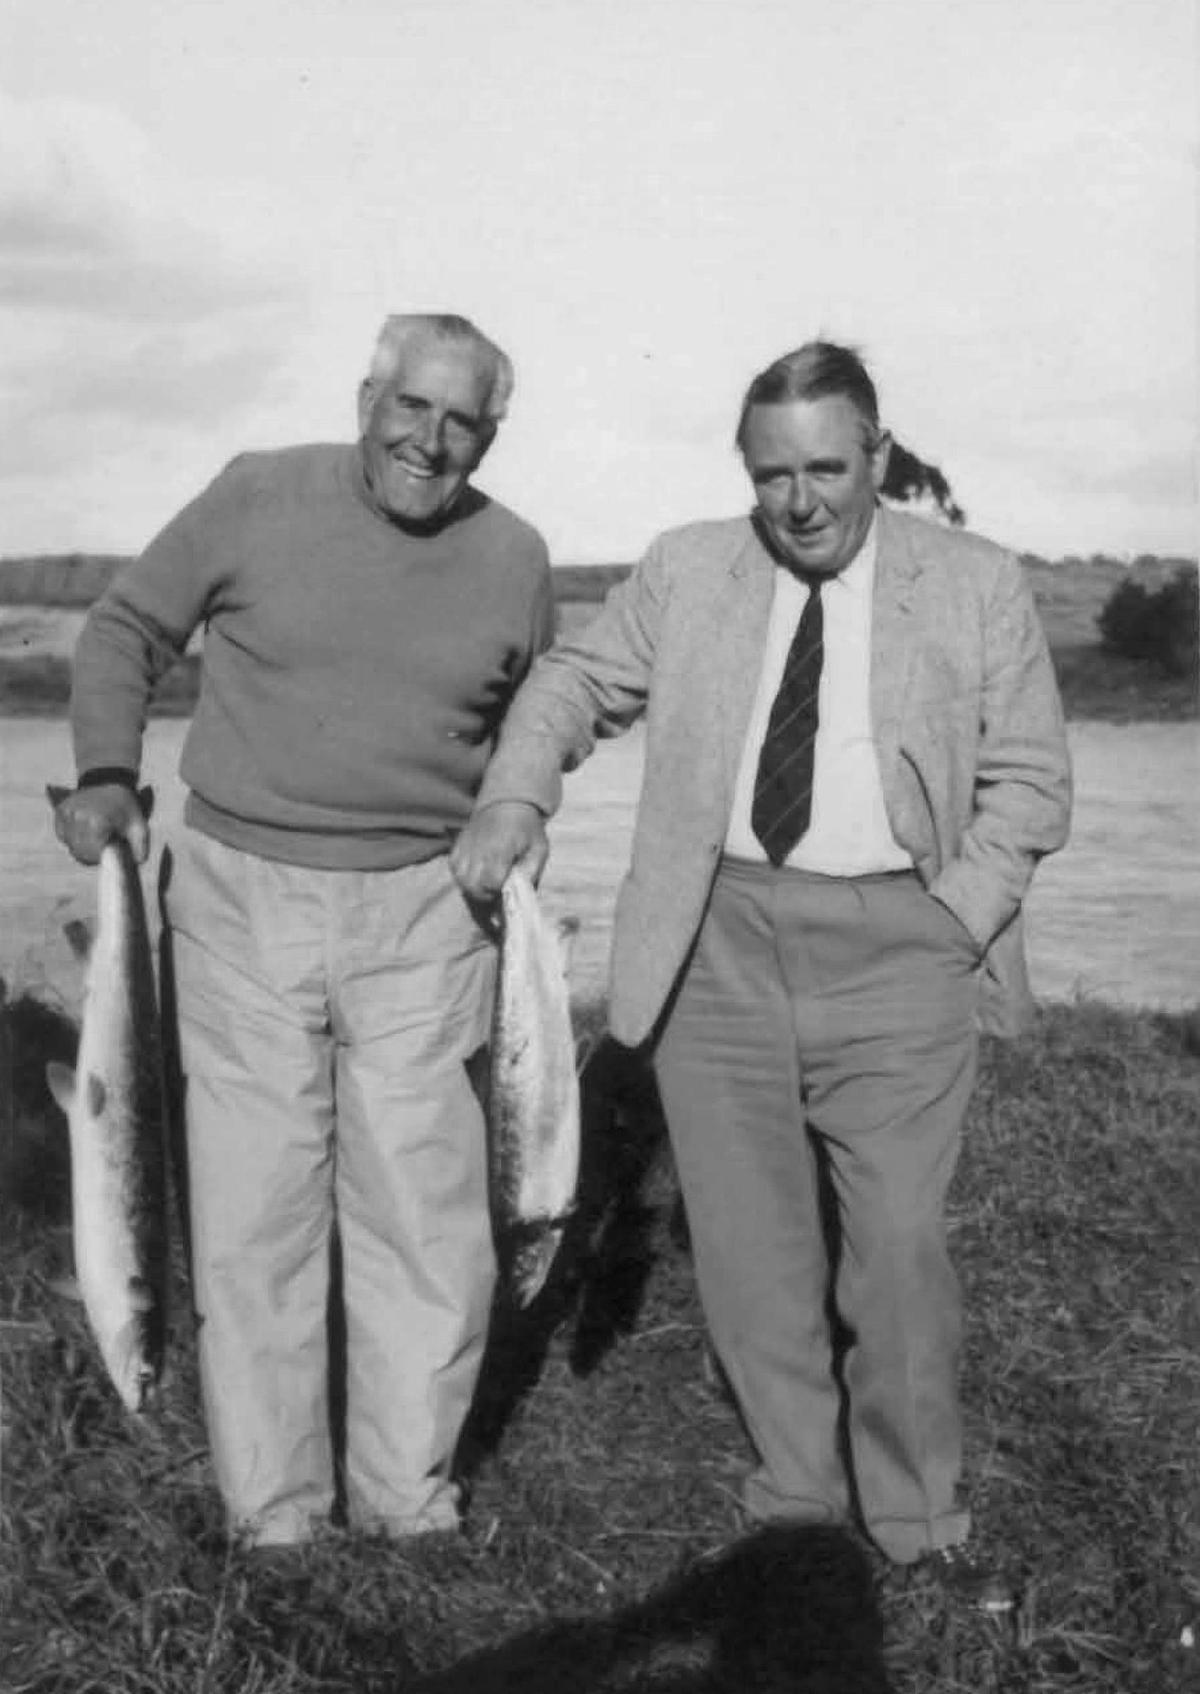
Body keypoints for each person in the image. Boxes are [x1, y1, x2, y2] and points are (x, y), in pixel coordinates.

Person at [450, 341, 1071, 1602]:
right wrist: (517, 789)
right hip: (715, 940)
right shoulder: (688, 569)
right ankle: (798, 1496)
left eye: (828, 468)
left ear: (879, 458)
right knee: (748, 1242)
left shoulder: (979, 583)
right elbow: (573, 679)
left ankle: (917, 1514)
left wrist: (954, 919)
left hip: (903, 940)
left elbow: (1033, 781)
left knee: (894, 1240)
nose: (801, 501)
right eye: (772, 472)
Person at [52, 313, 555, 1549]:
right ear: (367, 394)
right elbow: (123, 629)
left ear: (491, 435)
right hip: (240, 899)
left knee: (426, 1219)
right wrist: (110, 770)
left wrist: (513, 811)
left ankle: (407, 1499)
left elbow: (535, 722)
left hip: (428, 911)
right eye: (412, 407)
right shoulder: (254, 494)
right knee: (253, 1215)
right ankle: (277, 1519)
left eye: (463, 423)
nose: (430, 443)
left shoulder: (517, 555)